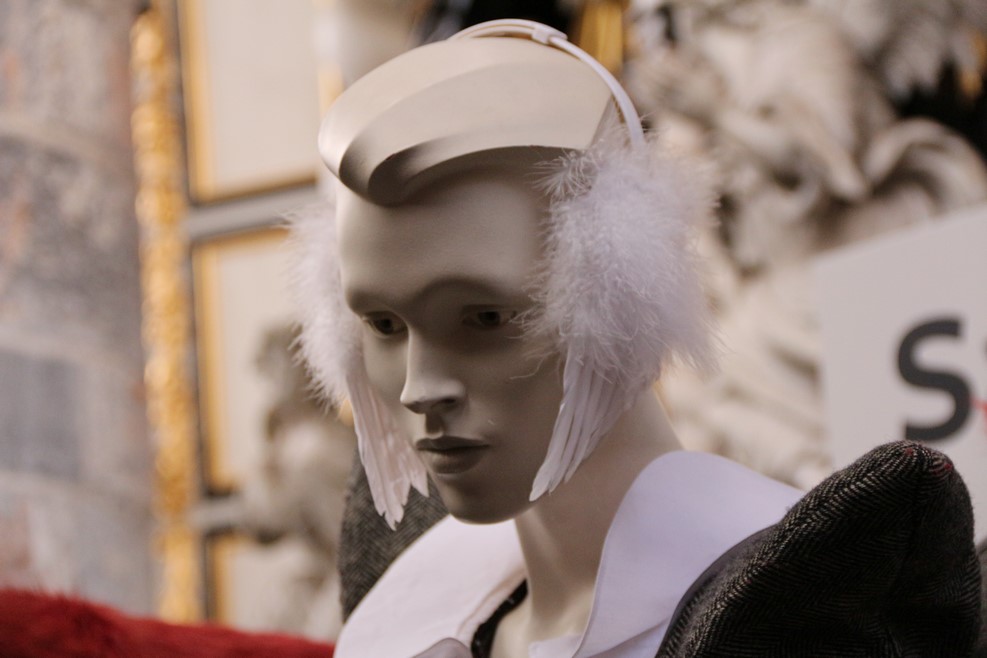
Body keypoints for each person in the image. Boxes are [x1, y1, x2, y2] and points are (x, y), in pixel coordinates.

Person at [291, 19, 980, 658]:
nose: (420, 388)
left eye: (486, 318)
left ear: (622, 295)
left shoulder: (792, 605)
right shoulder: (402, 618)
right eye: (383, 324)